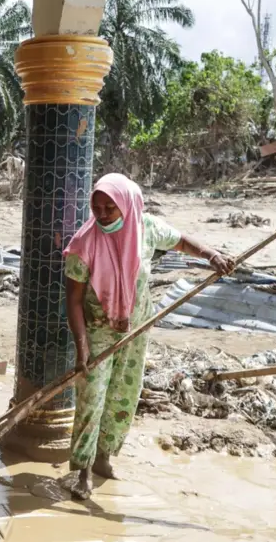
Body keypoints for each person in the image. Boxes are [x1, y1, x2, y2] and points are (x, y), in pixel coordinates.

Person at [64, 174, 234, 501]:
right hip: (98, 331)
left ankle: (104, 458)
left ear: (127, 205)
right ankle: (82, 470)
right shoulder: (83, 245)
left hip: (136, 327)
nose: (101, 214)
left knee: (123, 395)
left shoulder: (146, 228)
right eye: (96, 207)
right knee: (92, 399)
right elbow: (72, 300)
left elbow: (182, 241)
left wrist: (211, 255)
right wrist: (81, 347)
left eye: (109, 208)